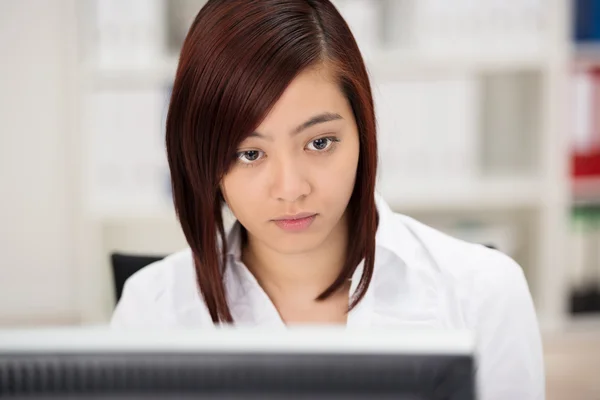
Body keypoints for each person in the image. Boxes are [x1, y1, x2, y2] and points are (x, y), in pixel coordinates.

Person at [111, 1, 545, 398]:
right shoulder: (152, 308)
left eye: (319, 143)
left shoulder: (484, 292)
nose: (291, 187)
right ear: (204, 162)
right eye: (249, 153)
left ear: (362, 133)